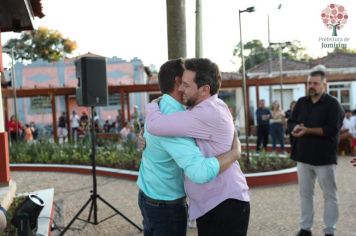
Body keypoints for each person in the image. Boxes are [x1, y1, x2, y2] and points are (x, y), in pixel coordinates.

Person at [145, 58, 249, 236]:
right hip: (214, 203)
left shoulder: (206, 113)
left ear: (204, 89)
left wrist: (153, 104)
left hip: (225, 204)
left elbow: (155, 125)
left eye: (186, 85)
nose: (180, 89)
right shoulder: (209, 106)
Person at [288, 65, 344, 236]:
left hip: (324, 159)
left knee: (330, 196)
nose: (311, 86)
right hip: (303, 157)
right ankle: (305, 229)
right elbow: (290, 122)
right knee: (305, 195)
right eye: (309, 83)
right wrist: (295, 127)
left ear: (324, 85)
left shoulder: (333, 104)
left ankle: (329, 231)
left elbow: (331, 130)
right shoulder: (301, 102)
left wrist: (308, 130)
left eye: (315, 83)